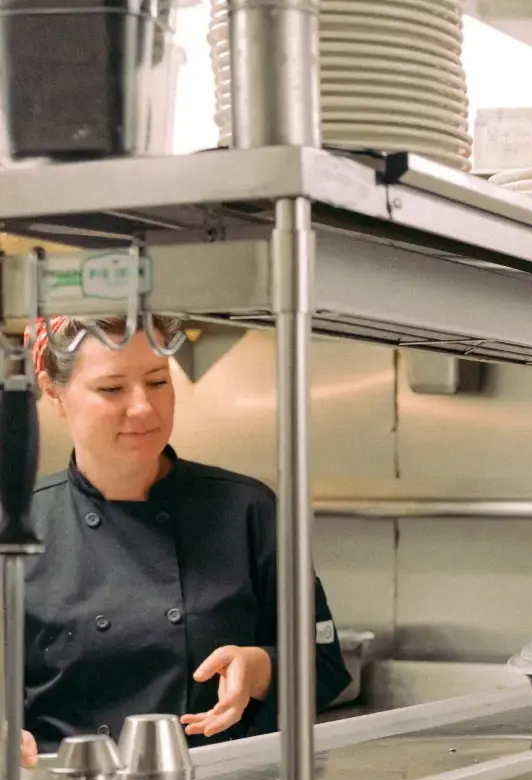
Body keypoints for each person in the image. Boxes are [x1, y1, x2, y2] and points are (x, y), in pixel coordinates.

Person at [22, 315, 351, 751]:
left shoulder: (247, 510)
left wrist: (263, 667)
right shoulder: (19, 525)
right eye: (112, 388)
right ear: (53, 392)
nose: (142, 407)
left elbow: (324, 666)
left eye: (158, 381)